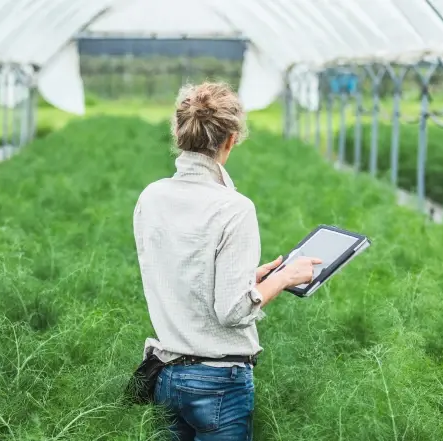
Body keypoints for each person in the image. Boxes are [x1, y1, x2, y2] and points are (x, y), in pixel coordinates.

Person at [132, 82, 322, 440]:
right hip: (217, 382)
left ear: (178, 132)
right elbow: (231, 311)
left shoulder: (151, 196)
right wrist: (281, 279)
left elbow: (180, 272)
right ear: (231, 139)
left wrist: (251, 276)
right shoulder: (233, 208)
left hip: (166, 375)